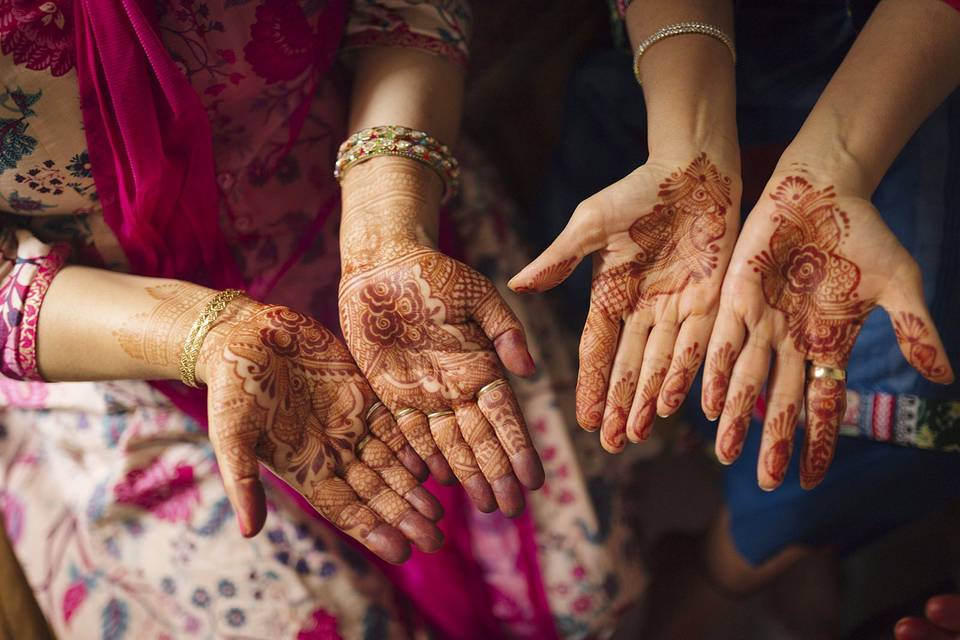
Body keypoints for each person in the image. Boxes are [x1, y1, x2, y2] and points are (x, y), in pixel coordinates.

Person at [0, 2, 645, 638]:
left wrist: (386, 220)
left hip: (384, 221)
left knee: (587, 599)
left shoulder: (387, 230)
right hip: (108, 344)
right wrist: (203, 334)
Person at [517, 0, 960, 635]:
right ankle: (751, 537)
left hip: (916, 78)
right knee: (636, 320)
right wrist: (686, 148)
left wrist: (838, 168)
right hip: (690, 64)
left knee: (894, 402)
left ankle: (742, 556)